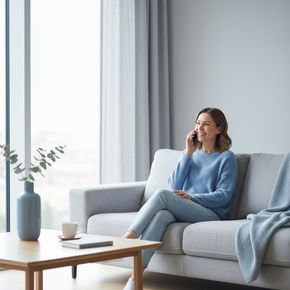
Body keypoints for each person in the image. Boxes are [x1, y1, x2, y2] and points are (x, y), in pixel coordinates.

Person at [122, 107, 238, 290]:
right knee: (161, 216)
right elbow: (175, 184)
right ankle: (135, 280)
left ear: (219, 129)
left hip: (212, 214)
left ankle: (129, 237)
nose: (200, 127)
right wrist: (188, 153)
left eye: (206, 124)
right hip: (188, 209)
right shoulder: (191, 155)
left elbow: (223, 196)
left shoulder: (227, 158)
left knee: (161, 195)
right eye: (198, 123)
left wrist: (192, 198)